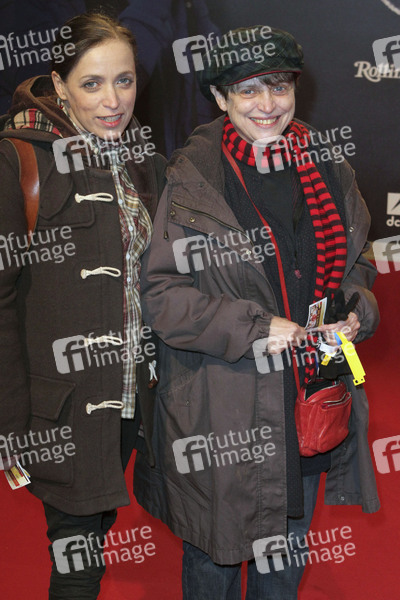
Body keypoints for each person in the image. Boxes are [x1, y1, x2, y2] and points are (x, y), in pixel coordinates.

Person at [132, 26, 380, 599]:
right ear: (221, 99)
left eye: (279, 86)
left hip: (308, 401)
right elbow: (161, 295)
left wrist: (355, 310)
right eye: (247, 90)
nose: (267, 104)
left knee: (283, 571)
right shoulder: (193, 179)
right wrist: (254, 328)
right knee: (214, 568)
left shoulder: (328, 167)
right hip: (223, 413)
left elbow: (357, 260)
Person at [0, 12, 165, 599]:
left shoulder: (143, 157)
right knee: (77, 558)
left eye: (124, 80)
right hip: (62, 407)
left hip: (134, 397)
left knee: (97, 528)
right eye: (91, 83)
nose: (112, 100)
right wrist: (12, 427)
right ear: (59, 83)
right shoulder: (20, 159)